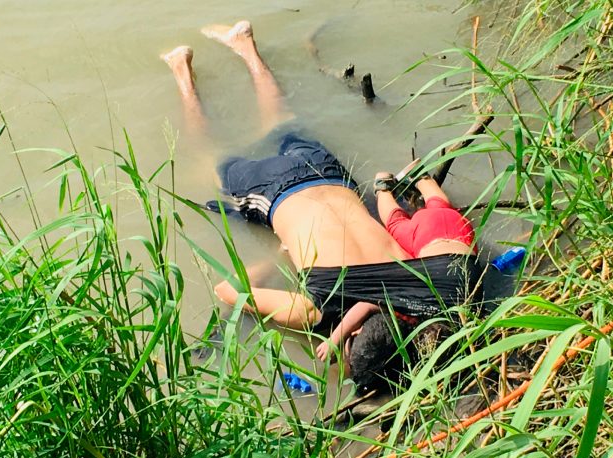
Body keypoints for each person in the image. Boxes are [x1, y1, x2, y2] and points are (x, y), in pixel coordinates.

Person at [163, 21, 482, 389]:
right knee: (210, 159)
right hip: (274, 191)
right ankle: (181, 69)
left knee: (282, 122)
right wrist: (277, 259)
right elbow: (227, 291)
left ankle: (245, 45)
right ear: (352, 335)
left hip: (331, 176)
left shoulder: (417, 279)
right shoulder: (313, 312)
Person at [315, 169, 477, 362]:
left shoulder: (464, 320)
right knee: (395, 222)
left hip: (462, 232)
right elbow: (366, 305)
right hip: (426, 236)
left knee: (439, 205)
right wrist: (334, 340)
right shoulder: (415, 309)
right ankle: (382, 186)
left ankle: (422, 178)